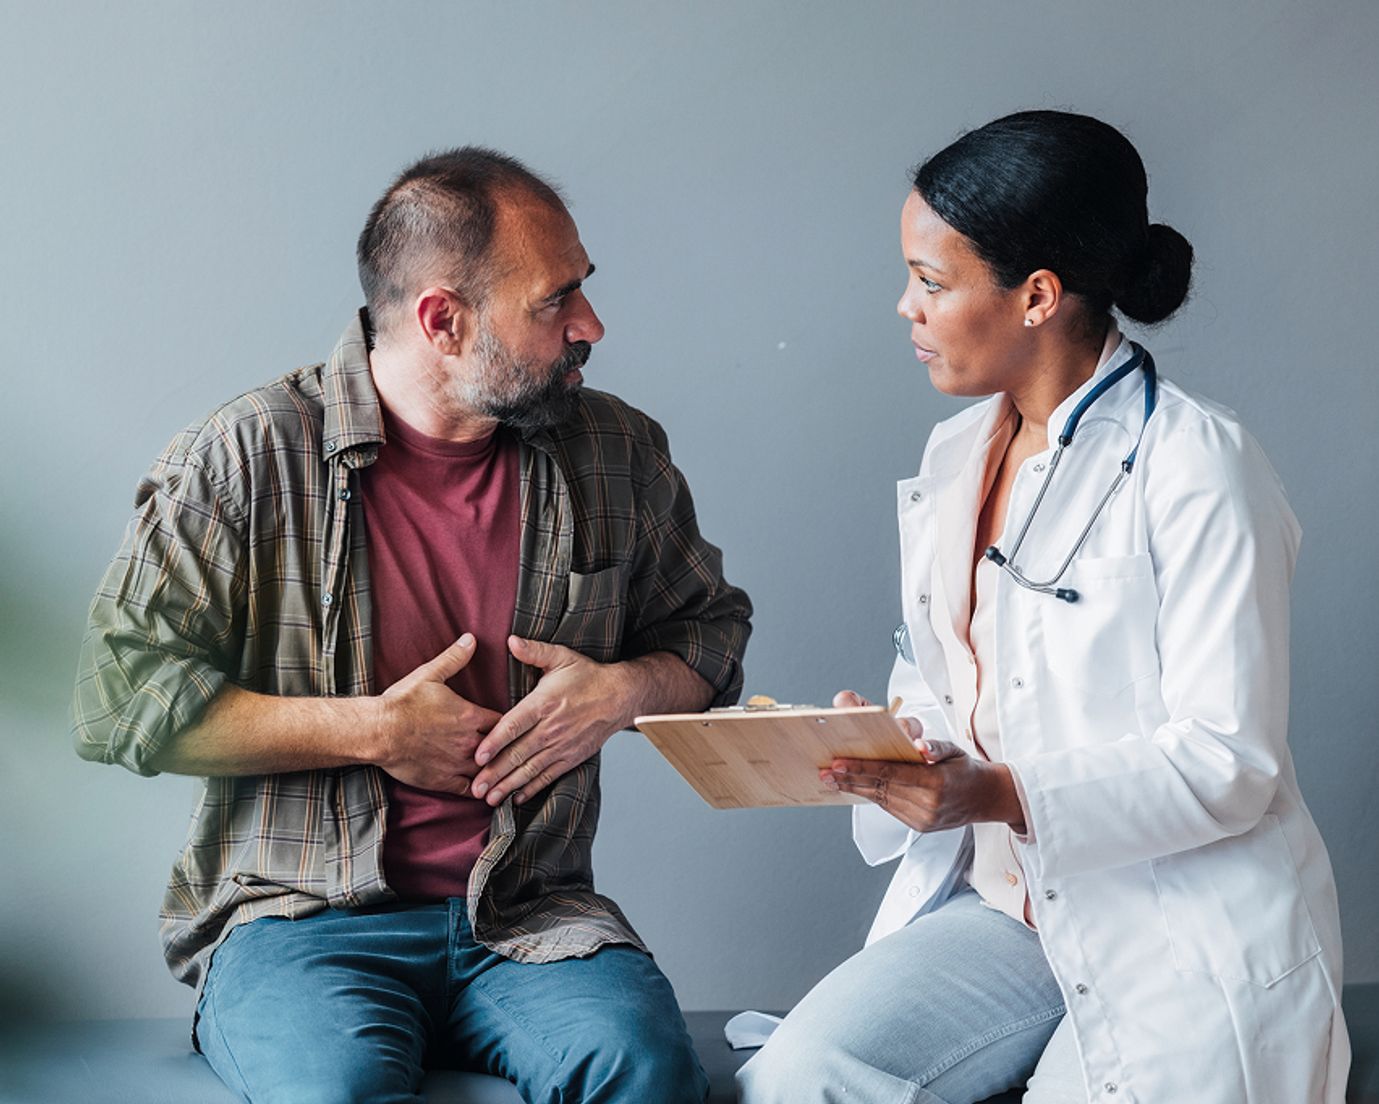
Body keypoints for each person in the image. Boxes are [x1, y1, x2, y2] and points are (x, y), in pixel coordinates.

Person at [72, 147, 752, 1104]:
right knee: (333, 1094)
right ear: (443, 319)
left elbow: (710, 636)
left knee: (646, 1074)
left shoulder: (616, 451)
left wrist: (625, 692)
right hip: (296, 922)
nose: (590, 326)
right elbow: (114, 702)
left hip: (527, 916)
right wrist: (375, 732)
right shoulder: (246, 454)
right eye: (556, 302)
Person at [737, 111, 1348, 1104]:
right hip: (1008, 912)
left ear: (1034, 296)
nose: (904, 307)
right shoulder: (951, 458)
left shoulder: (1197, 467)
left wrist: (999, 792)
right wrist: (898, 744)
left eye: (930, 282)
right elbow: (954, 685)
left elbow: (1227, 761)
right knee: (799, 1077)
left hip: (1174, 921)